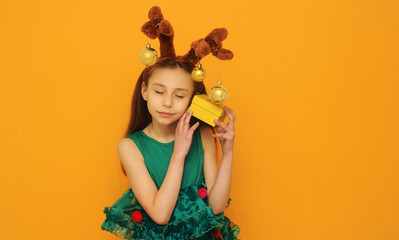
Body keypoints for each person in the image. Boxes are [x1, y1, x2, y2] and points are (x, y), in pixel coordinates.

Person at [101, 6, 240, 239]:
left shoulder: (203, 133)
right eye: (159, 92)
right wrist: (178, 154)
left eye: (179, 96)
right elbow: (160, 214)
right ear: (145, 91)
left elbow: (217, 207)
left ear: (192, 100)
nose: (167, 103)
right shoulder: (129, 147)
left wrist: (227, 154)